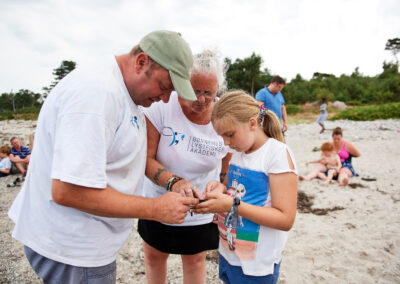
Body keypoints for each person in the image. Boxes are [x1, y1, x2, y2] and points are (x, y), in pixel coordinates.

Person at [8, 30, 200, 283]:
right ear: (141, 62)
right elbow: (68, 190)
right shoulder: (96, 93)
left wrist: (173, 182)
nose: (165, 98)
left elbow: (129, 158)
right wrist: (154, 208)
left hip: (82, 246)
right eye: (165, 87)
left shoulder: (124, 92)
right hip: (75, 251)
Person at [138, 48, 231, 284]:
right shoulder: (161, 106)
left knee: (195, 260)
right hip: (158, 199)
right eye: (194, 91)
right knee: (154, 257)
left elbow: (227, 167)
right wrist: (175, 182)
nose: (200, 100)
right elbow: (146, 159)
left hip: (200, 207)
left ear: (217, 89)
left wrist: (221, 187)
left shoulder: (225, 116)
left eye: (208, 93)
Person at [194, 91, 298, 284]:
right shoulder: (239, 152)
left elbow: (285, 219)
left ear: (252, 123)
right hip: (229, 253)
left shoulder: (277, 154)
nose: (226, 143)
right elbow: (229, 189)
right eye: (221, 137)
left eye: (229, 135)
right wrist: (219, 187)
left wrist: (231, 204)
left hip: (257, 264)